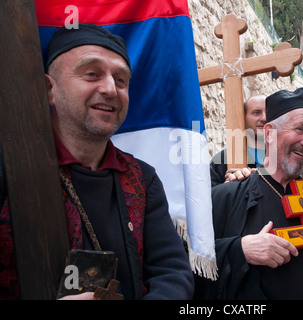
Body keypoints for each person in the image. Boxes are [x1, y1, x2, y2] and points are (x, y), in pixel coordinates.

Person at [0, 23, 193, 300]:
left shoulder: (141, 177)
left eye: (121, 80)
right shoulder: (10, 166)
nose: (111, 89)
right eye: (92, 74)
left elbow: (172, 272)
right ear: (48, 89)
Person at [194, 88, 303, 299]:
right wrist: (240, 249)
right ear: (270, 132)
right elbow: (184, 264)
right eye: (300, 129)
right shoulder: (223, 199)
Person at [210, 95, 266, 186]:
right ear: (243, 118)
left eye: (268, 112)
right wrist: (226, 189)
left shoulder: (284, 157)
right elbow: (207, 197)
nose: (264, 118)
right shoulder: (222, 160)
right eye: (256, 113)